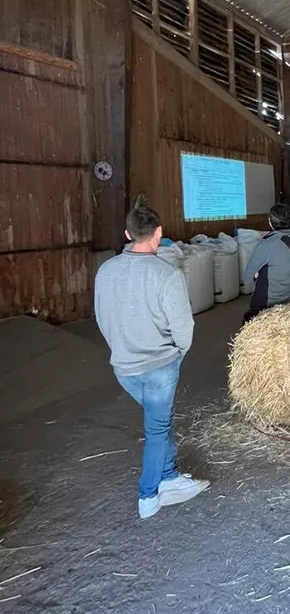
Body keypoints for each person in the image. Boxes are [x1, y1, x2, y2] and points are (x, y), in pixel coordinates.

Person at [94, 197, 209, 520]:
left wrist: (120, 347)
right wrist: (178, 353)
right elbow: (183, 326)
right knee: (157, 429)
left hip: (124, 367)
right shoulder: (166, 274)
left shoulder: (106, 271)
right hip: (159, 365)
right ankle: (149, 495)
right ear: (158, 233)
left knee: (159, 421)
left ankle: (170, 475)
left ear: (128, 234)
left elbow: (101, 317)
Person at [242, 203, 290, 320]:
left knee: (247, 319)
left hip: (269, 301)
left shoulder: (267, 243)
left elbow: (247, 276)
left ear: (270, 222)